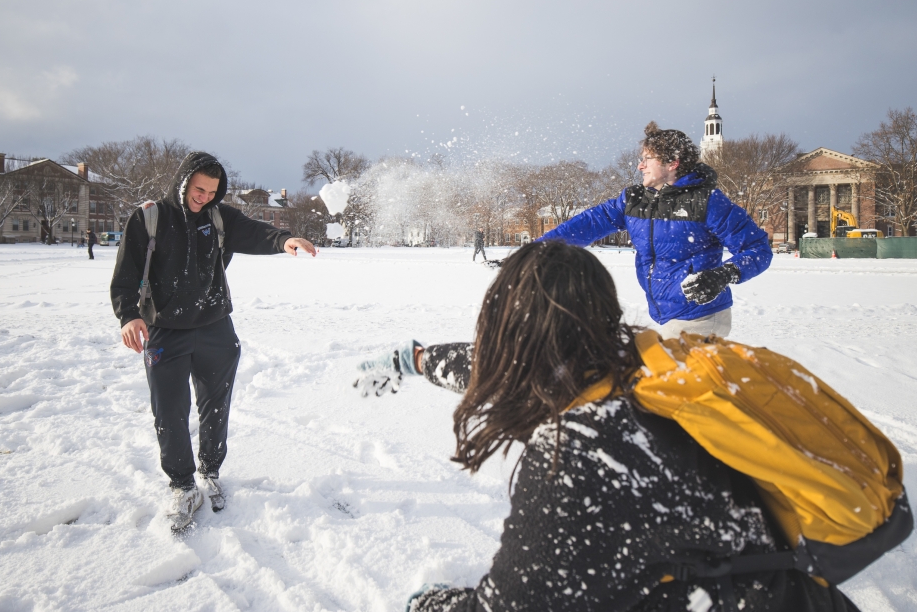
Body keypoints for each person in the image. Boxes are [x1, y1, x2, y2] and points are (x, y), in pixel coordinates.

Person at [357, 242, 860, 611]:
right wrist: (418, 360)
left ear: (508, 329)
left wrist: (431, 604)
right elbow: (507, 369)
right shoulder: (641, 368)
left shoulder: (579, 457)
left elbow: (511, 608)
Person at [110, 152, 318, 532]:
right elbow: (125, 272)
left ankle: (210, 471)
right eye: (198, 188)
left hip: (215, 328)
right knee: (169, 411)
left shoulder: (219, 218)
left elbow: (258, 231)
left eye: (212, 190)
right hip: (164, 332)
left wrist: (285, 241)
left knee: (215, 407)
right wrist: (129, 315)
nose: (203, 196)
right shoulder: (150, 217)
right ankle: (183, 485)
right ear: (183, 181)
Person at [539, 122, 771, 337]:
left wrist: (723, 274)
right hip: (666, 316)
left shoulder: (707, 202)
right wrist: (538, 250)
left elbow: (758, 249)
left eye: (647, 159)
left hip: (701, 317)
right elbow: (588, 224)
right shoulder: (635, 200)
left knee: (662, 378)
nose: (640, 165)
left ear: (672, 163)